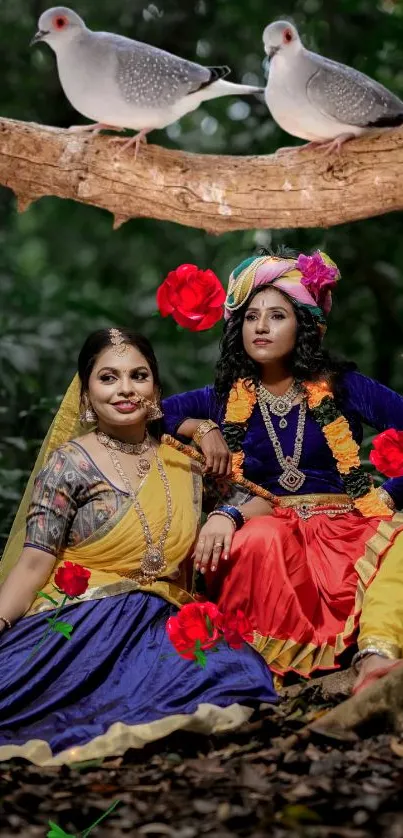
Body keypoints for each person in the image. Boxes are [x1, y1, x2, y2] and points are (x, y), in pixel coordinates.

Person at [0, 328, 276, 766]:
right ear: (87, 395)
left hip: (162, 621)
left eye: (138, 375)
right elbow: (34, 561)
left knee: (234, 671)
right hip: (82, 621)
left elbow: (266, 498)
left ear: (156, 389)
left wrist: (226, 514)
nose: (125, 389)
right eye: (108, 378)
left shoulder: (185, 461)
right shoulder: (70, 462)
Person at [162, 249, 403, 682]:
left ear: (304, 325)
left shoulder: (343, 387)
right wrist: (200, 428)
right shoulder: (222, 398)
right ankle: (254, 664)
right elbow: (145, 413)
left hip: (345, 528)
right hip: (269, 529)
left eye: (277, 316)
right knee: (257, 540)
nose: (261, 327)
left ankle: (375, 651)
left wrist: (391, 492)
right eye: (252, 317)